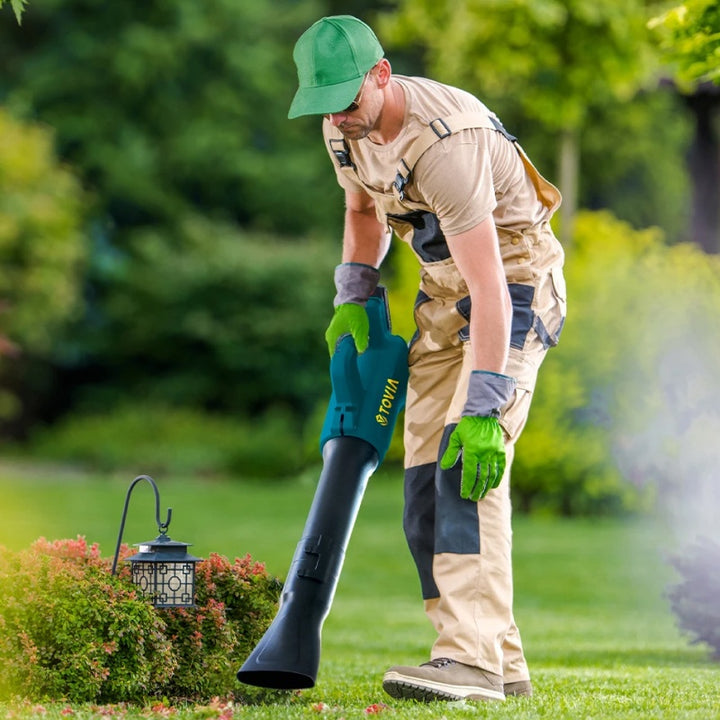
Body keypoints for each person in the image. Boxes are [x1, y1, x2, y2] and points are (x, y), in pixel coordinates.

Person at [288, 15, 567, 703]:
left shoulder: (447, 141)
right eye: (326, 107)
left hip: (512, 285)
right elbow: (361, 212)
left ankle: (467, 659)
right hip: (443, 296)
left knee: (464, 466)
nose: (341, 120)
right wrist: (353, 292)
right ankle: (500, 661)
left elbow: (492, 286)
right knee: (421, 489)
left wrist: (484, 404)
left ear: (381, 74)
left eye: (349, 102)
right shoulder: (341, 124)